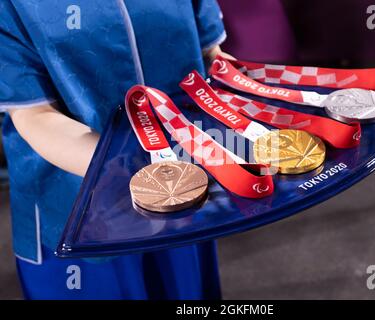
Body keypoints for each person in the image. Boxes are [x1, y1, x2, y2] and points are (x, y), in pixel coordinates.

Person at [0, 0, 231, 299]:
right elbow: (34, 115)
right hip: (78, 212)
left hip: (184, 197)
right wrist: (133, 169)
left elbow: (210, 58)